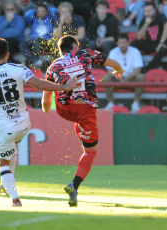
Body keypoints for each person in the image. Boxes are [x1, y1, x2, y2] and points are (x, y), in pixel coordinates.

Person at [0, 37, 79, 207]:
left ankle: (14, 197)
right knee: (11, 150)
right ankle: (7, 184)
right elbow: (40, 84)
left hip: (4, 126)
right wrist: (65, 87)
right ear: (8, 54)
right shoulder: (19, 69)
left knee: (3, 162)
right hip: (23, 123)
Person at [42, 35, 124, 207]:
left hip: (64, 109)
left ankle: (75, 116)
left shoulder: (53, 65)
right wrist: (118, 70)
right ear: (75, 46)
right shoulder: (85, 54)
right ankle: (74, 185)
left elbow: (45, 99)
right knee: (90, 151)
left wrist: (46, 108)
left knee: (60, 88)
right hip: (85, 110)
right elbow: (115, 64)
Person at [103, 33, 145, 113]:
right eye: (120, 43)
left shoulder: (135, 51)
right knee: (106, 78)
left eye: (124, 43)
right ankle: (111, 102)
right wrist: (118, 76)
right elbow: (109, 70)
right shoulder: (113, 52)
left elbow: (138, 69)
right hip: (117, 78)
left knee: (141, 77)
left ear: (128, 42)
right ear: (117, 43)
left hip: (131, 78)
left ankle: (135, 103)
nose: (122, 45)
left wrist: (128, 77)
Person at [131, 2, 167, 73]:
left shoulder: (160, 16)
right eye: (146, 11)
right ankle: (135, 65)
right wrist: (146, 24)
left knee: (163, 49)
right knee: (134, 43)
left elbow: (166, 28)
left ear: (154, 10)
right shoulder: (143, 21)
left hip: (162, 43)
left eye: (150, 11)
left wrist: (161, 43)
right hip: (151, 44)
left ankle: (147, 69)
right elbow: (139, 37)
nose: (148, 13)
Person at [24, 1, 58, 67]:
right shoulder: (32, 18)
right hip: (34, 41)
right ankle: (35, 60)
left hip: (47, 41)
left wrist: (47, 7)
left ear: (46, 11)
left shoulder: (50, 18)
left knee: (56, 44)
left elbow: (55, 10)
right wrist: (34, 11)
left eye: (43, 11)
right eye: (39, 11)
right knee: (23, 45)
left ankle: (56, 63)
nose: (41, 13)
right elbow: (27, 14)